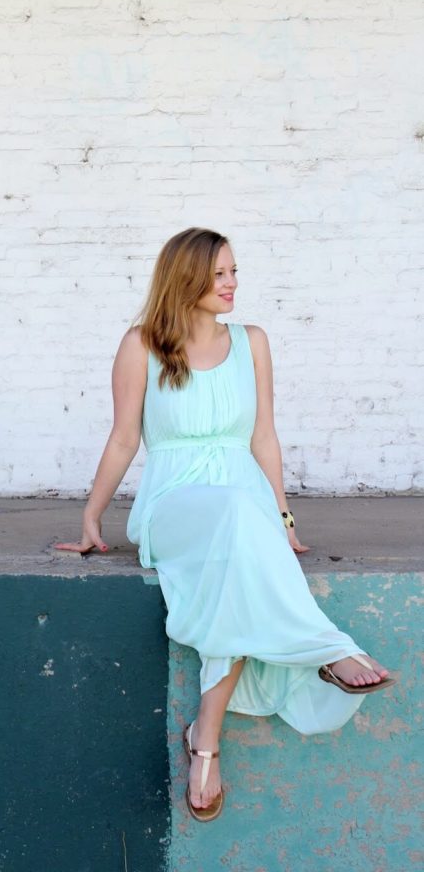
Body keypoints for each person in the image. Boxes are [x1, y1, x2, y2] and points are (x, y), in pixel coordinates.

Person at [55, 227, 395, 822]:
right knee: (238, 519)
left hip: (243, 500)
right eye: (219, 275)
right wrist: (92, 514)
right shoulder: (142, 345)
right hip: (176, 504)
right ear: (185, 280)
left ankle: (204, 740)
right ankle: (322, 648)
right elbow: (123, 438)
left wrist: (284, 517)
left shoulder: (253, 341)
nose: (232, 283)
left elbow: (263, 437)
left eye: (234, 271)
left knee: (240, 542)